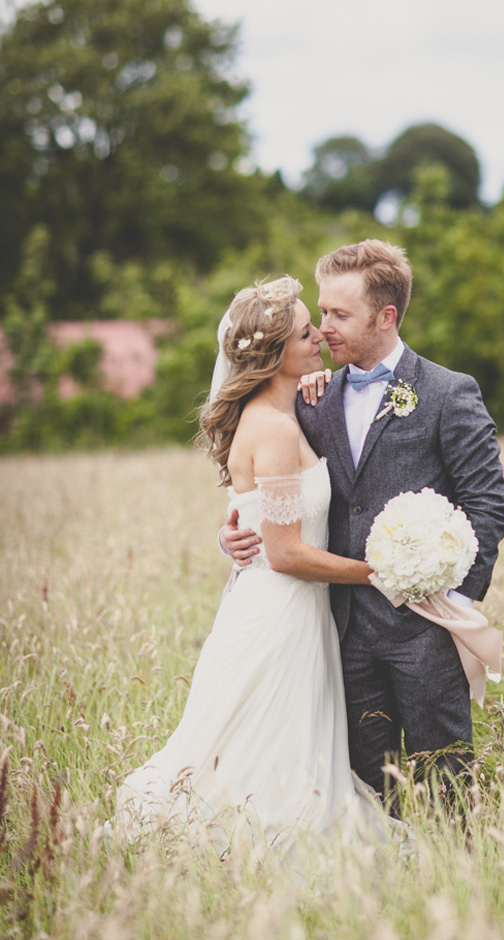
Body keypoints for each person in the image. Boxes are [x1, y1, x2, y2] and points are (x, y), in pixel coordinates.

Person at [113, 276, 396, 857]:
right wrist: (379, 572)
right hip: (280, 615)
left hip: (286, 609)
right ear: (273, 354)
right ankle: (259, 849)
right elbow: (286, 553)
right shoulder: (273, 429)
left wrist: (230, 536)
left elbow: (253, 518)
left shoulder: (280, 413)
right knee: (269, 743)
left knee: (270, 743)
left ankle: (251, 846)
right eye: (305, 333)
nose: (319, 336)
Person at [222, 240, 504, 806]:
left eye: (339, 314)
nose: (323, 328)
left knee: (446, 785)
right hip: (337, 632)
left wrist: (447, 598)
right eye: (321, 312)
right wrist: (230, 536)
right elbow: (268, 495)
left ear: (385, 317)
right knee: (361, 796)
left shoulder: (448, 393)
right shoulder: (309, 399)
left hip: (424, 631)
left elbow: (489, 505)